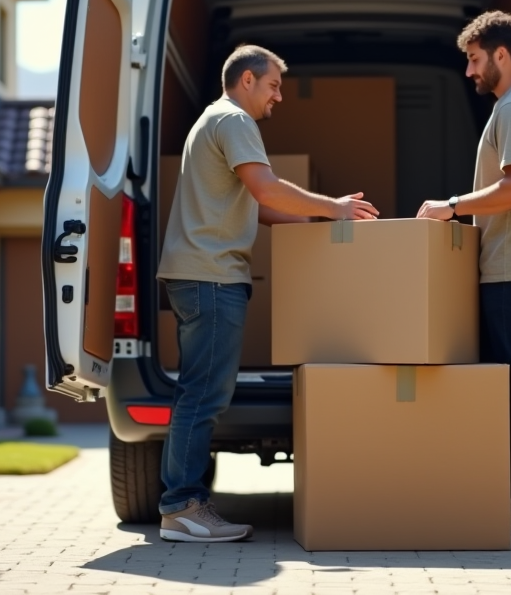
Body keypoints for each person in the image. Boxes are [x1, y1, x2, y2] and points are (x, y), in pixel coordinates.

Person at [157, 44, 378, 542]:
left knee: (198, 391)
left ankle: (184, 504)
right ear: (247, 80)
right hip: (211, 277)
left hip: (201, 275)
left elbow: (256, 207)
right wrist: (334, 207)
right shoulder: (235, 120)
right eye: (274, 85)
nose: (279, 96)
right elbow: (267, 189)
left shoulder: (213, 120)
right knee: (203, 395)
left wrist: (318, 224)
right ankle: (183, 507)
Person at [417, 11, 511, 543]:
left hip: (509, 271)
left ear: (502, 54)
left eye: (475, 59)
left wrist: (451, 206)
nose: (470, 71)